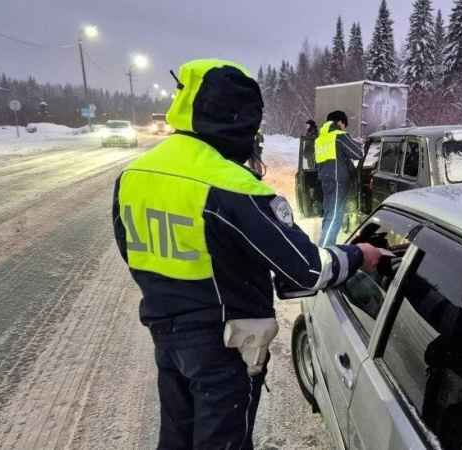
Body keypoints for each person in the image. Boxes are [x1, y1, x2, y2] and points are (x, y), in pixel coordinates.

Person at [112, 59, 381, 450]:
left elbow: (132, 251)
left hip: (166, 337)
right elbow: (306, 270)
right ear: (238, 122)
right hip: (223, 346)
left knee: (177, 438)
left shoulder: (135, 174)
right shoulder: (231, 186)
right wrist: (358, 254)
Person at [314, 110, 364, 246]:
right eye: (344, 125)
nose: (344, 128)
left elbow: (316, 163)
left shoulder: (320, 140)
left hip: (325, 181)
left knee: (329, 215)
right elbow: (358, 153)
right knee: (335, 216)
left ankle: (324, 245)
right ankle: (324, 250)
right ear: (340, 122)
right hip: (337, 182)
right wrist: (360, 145)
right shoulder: (339, 136)